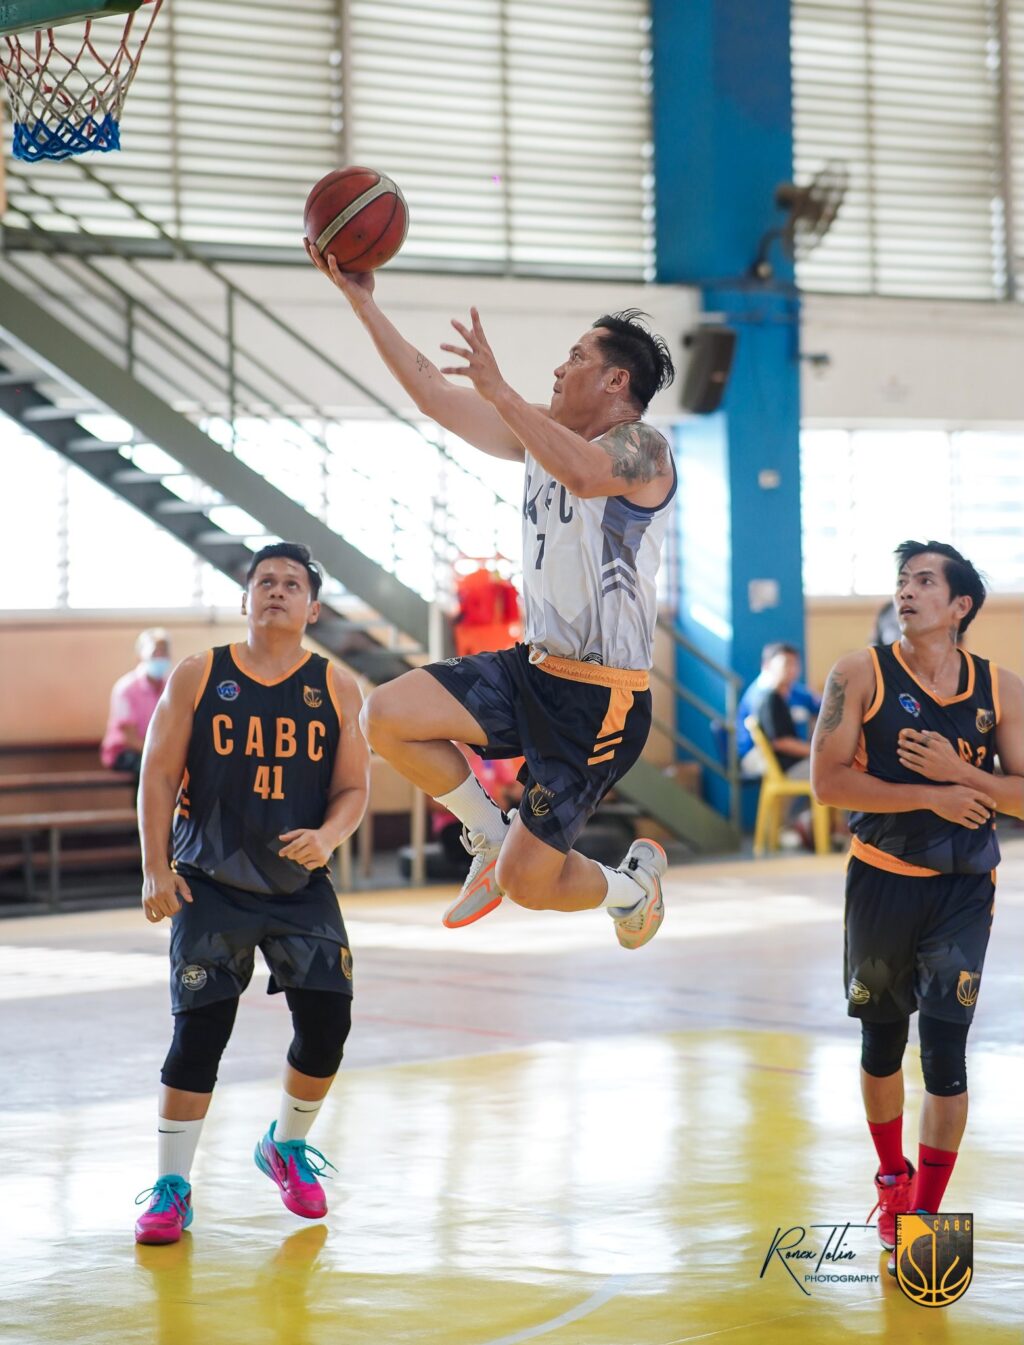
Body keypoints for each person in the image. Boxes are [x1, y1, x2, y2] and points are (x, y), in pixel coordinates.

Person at [306, 242, 675, 949]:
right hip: (530, 669)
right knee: (385, 715)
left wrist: (501, 391)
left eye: (576, 357)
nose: (560, 367)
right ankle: (484, 830)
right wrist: (362, 301)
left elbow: (592, 475)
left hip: (601, 701)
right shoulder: (540, 435)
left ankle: (631, 886)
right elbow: (434, 396)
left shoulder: (647, 449)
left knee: (530, 884)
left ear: (615, 379)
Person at [133, 542, 369, 1245]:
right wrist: (154, 866)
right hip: (210, 881)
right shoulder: (201, 674)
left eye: (292, 583)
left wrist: (328, 836)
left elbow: (356, 789)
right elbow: (155, 773)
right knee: (201, 1030)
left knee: (329, 1020)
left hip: (300, 884)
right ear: (244, 600)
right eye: (264, 581)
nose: (276, 590)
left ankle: (285, 1147)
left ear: (312, 608)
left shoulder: (336, 686)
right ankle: (171, 1187)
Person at [811, 540, 1023, 1275]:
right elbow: (828, 783)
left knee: (945, 1053)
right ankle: (890, 1175)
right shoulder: (858, 672)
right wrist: (932, 792)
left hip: (964, 890)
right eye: (902, 579)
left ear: (960, 605)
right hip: (882, 881)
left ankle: (926, 1216)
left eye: (924, 581)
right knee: (879, 1041)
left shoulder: (1002, 688)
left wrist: (963, 772)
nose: (907, 591)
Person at [100, 628, 172, 786]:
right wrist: (159, 753)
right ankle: (142, 811)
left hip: (158, 750)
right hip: (125, 752)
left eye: (164, 652)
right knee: (148, 768)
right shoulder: (126, 689)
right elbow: (130, 738)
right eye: (155, 653)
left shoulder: (171, 687)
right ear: (140, 656)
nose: (160, 657)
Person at [736, 642, 819, 777]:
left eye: (795, 664)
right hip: (761, 756)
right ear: (767, 666)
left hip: (790, 757)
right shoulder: (765, 697)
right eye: (786, 664)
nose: (792, 670)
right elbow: (778, 742)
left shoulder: (791, 689)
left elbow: (820, 707)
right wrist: (816, 752)